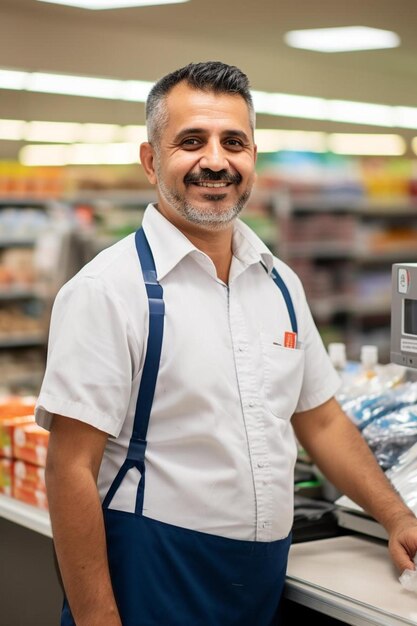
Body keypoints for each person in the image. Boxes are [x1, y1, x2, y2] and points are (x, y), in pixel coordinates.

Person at [35, 61, 417, 626]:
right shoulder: (106, 291)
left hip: (261, 579)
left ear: (253, 159)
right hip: (152, 575)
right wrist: (97, 618)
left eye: (233, 142)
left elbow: (322, 419)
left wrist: (396, 516)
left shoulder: (279, 283)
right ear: (150, 161)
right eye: (191, 141)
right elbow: (69, 471)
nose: (215, 160)